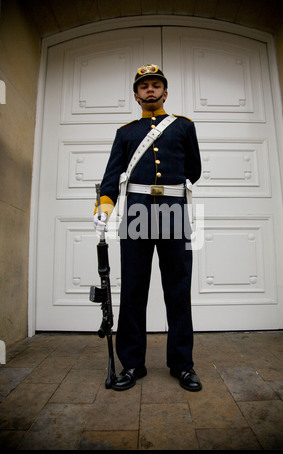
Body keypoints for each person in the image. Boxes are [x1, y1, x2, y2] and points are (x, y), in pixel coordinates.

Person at [93, 64, 202, 392]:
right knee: (134, 290)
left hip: (174, 212)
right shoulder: (125, 133)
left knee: (178, 291)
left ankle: (182, 365)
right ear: (136, 95)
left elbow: (192, 171)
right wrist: (104, 206)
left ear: (165, 92)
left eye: (156, 85)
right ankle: (132, 364)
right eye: (144, 86)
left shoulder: (183, 126)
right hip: (137, 212)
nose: (150, 90)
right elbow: (112, 175)